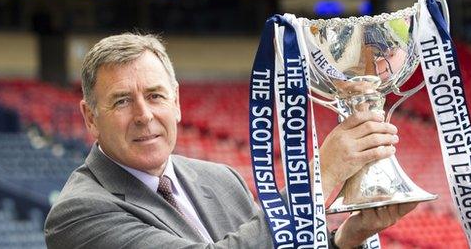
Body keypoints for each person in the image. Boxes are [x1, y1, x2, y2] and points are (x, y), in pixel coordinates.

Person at [44, 32, 417, 249]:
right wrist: (319, 179)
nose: (144, 115)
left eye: (155, 96)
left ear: (177, 102)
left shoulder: (221, 180)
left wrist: (347, 239)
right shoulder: (78, 215)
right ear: (90, 118)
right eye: (122, 101)